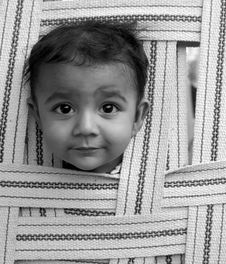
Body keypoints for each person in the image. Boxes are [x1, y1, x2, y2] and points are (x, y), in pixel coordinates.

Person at [24, 21, 149, 173]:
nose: (86, 128)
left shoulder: (149, 181)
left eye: (108, 108)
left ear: (137, 117)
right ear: (37, 115)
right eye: (64, 109)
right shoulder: (20, 179)